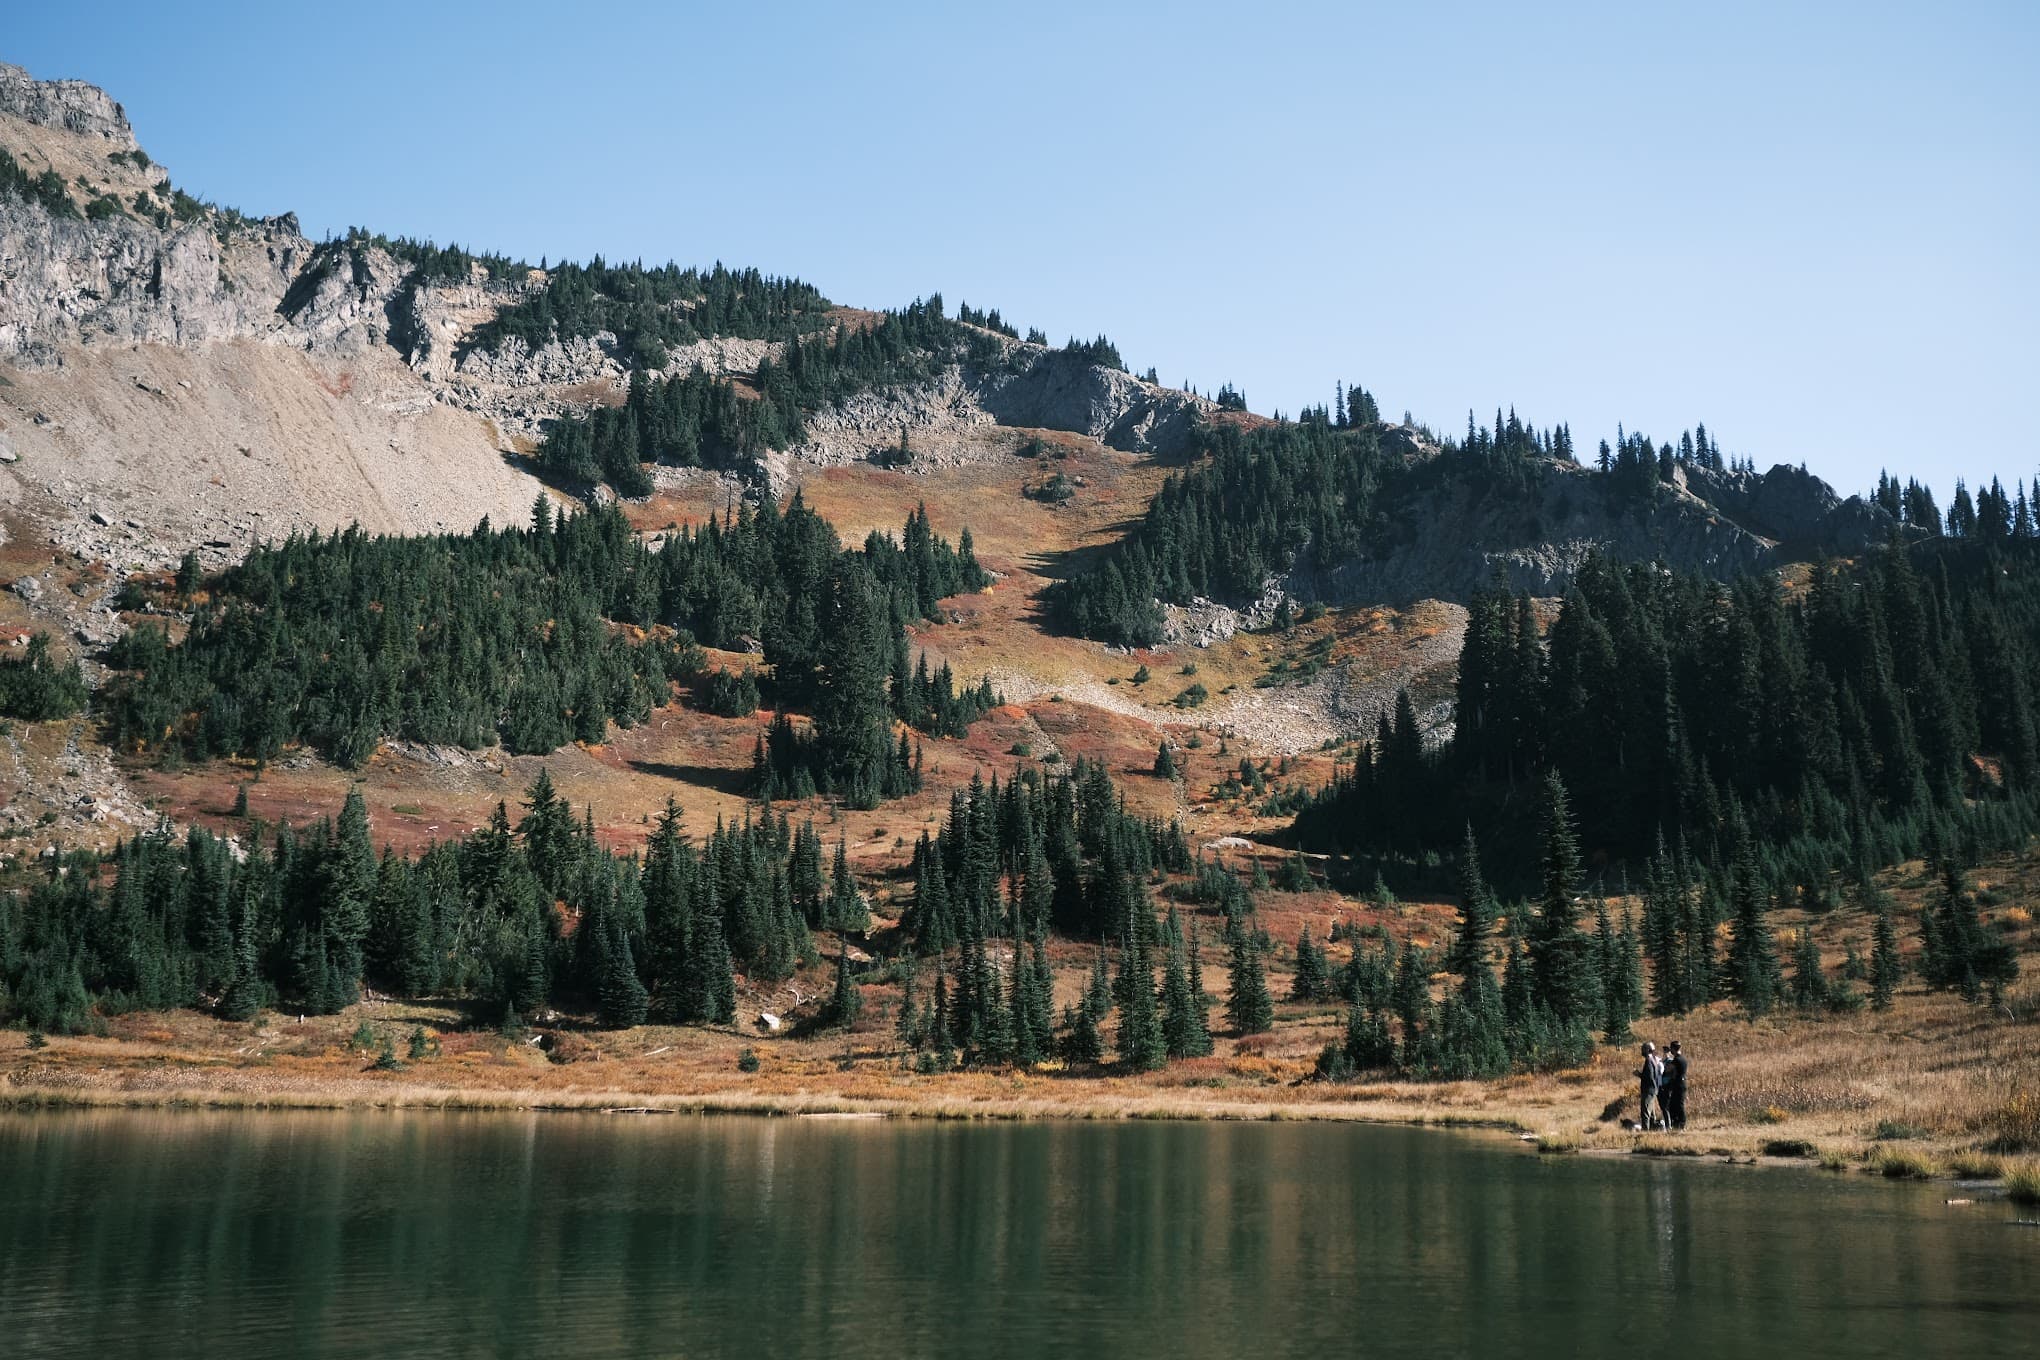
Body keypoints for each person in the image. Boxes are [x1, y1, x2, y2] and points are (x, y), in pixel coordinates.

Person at [1636, 1041, 1663, 1131]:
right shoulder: (1654, 1059)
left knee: (1645, 1112)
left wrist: (1639, 1074)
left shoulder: (1648, 1060)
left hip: (1649, 1090)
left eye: (1643, 1048)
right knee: (1651, 1113)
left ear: (1647, 1050)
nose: (1641, 1050)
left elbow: (1649, 1077)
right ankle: (1652, 1131)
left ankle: (1645, 1132)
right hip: (1653, 1089)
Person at [1661, 1040, 1688, 1130]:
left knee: (1678, 1105)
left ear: (1672, 1049)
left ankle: (1680, 1123)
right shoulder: (1683, 1059)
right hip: (1682, 1083)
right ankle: (1679, 1123)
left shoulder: (1676, 1060)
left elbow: (1667, 1069)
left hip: (1678, 1085)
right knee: (1676, 1104)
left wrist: (1666, 1057)